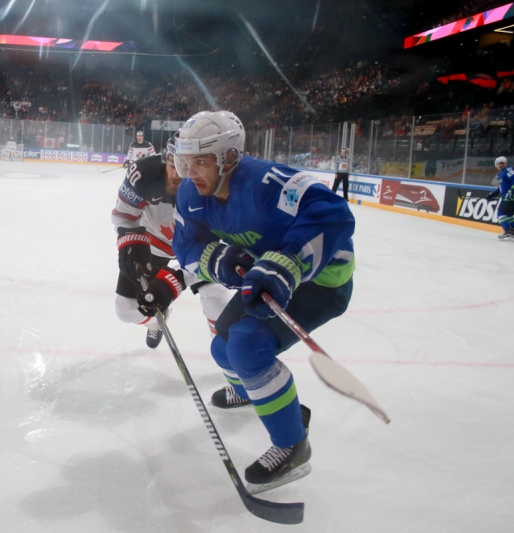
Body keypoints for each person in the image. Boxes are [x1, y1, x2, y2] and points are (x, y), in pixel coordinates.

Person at [163, 110, 355, 493]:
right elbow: (185, 244)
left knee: (248, 345)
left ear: (230, 157)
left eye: (201, 161)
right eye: (185, 161)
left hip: (321, 279)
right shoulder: (190, 192)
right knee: (223, 344)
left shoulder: (266, 183)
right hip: (269, 274)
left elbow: (332, 213)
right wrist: (218, 258)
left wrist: (289, 263)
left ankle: (292, 443)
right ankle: (260, 393)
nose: (190, 171)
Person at [112, 135, 233, 348]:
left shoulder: (217, 186)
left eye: (187, 167)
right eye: (172, 164)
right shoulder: (144, 173)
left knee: (217, 302)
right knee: (125, 309)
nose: (177, 174)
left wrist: (175, 279)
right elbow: (125, 215)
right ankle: (154, 324)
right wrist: (131, 245)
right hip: (153, 247)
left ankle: (227, 357)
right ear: (164, 159)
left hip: (199, 249)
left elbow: (226, 245)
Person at [487, 156, 514, 241]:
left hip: (511, 197)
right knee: (509, 215)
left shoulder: (508, 170)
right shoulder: (500, 174)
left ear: (505, 163)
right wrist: (494, 193)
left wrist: (511, 191)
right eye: (498, 164)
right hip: (512, 197)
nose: (500, 165)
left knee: (500, 213)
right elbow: (502, 187)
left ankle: (507, 231)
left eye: (502, 163)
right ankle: (512, 232)